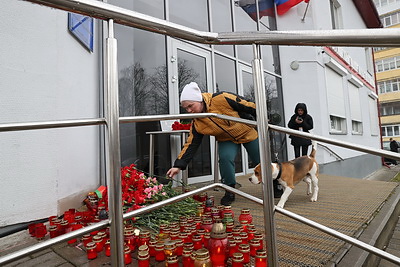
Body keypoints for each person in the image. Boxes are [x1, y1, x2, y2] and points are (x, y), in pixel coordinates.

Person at [166, 81, 283, 206]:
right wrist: (178, 165)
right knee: (225, 159)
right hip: (226, 139)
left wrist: (264, 115)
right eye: (186, 108)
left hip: (246, 132)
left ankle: (274, 183)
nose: (189, 110)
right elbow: (191, 145)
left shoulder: (221, 98)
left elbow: (247, 105)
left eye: (191, 106)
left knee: (260, 159)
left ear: (199, 100)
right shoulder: (197, 123)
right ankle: (229, 190)